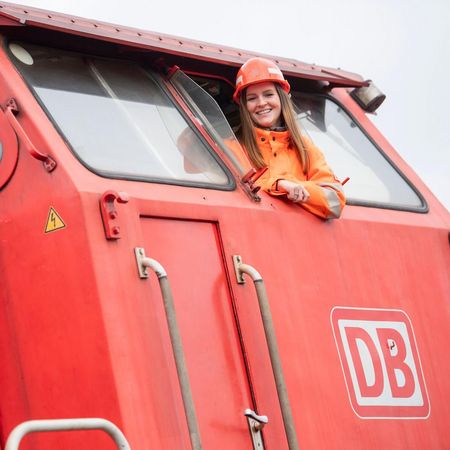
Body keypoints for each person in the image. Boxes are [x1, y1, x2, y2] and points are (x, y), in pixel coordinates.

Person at [233, 57, 346, 219]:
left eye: (268, 94)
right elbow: (237, 190)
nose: (261, 103)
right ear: (244, 106)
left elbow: (335, 201)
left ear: (282, 98)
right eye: (252, 98)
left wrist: (296, 186)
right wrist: (281, 185)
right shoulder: (233, 146)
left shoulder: (305, 148)